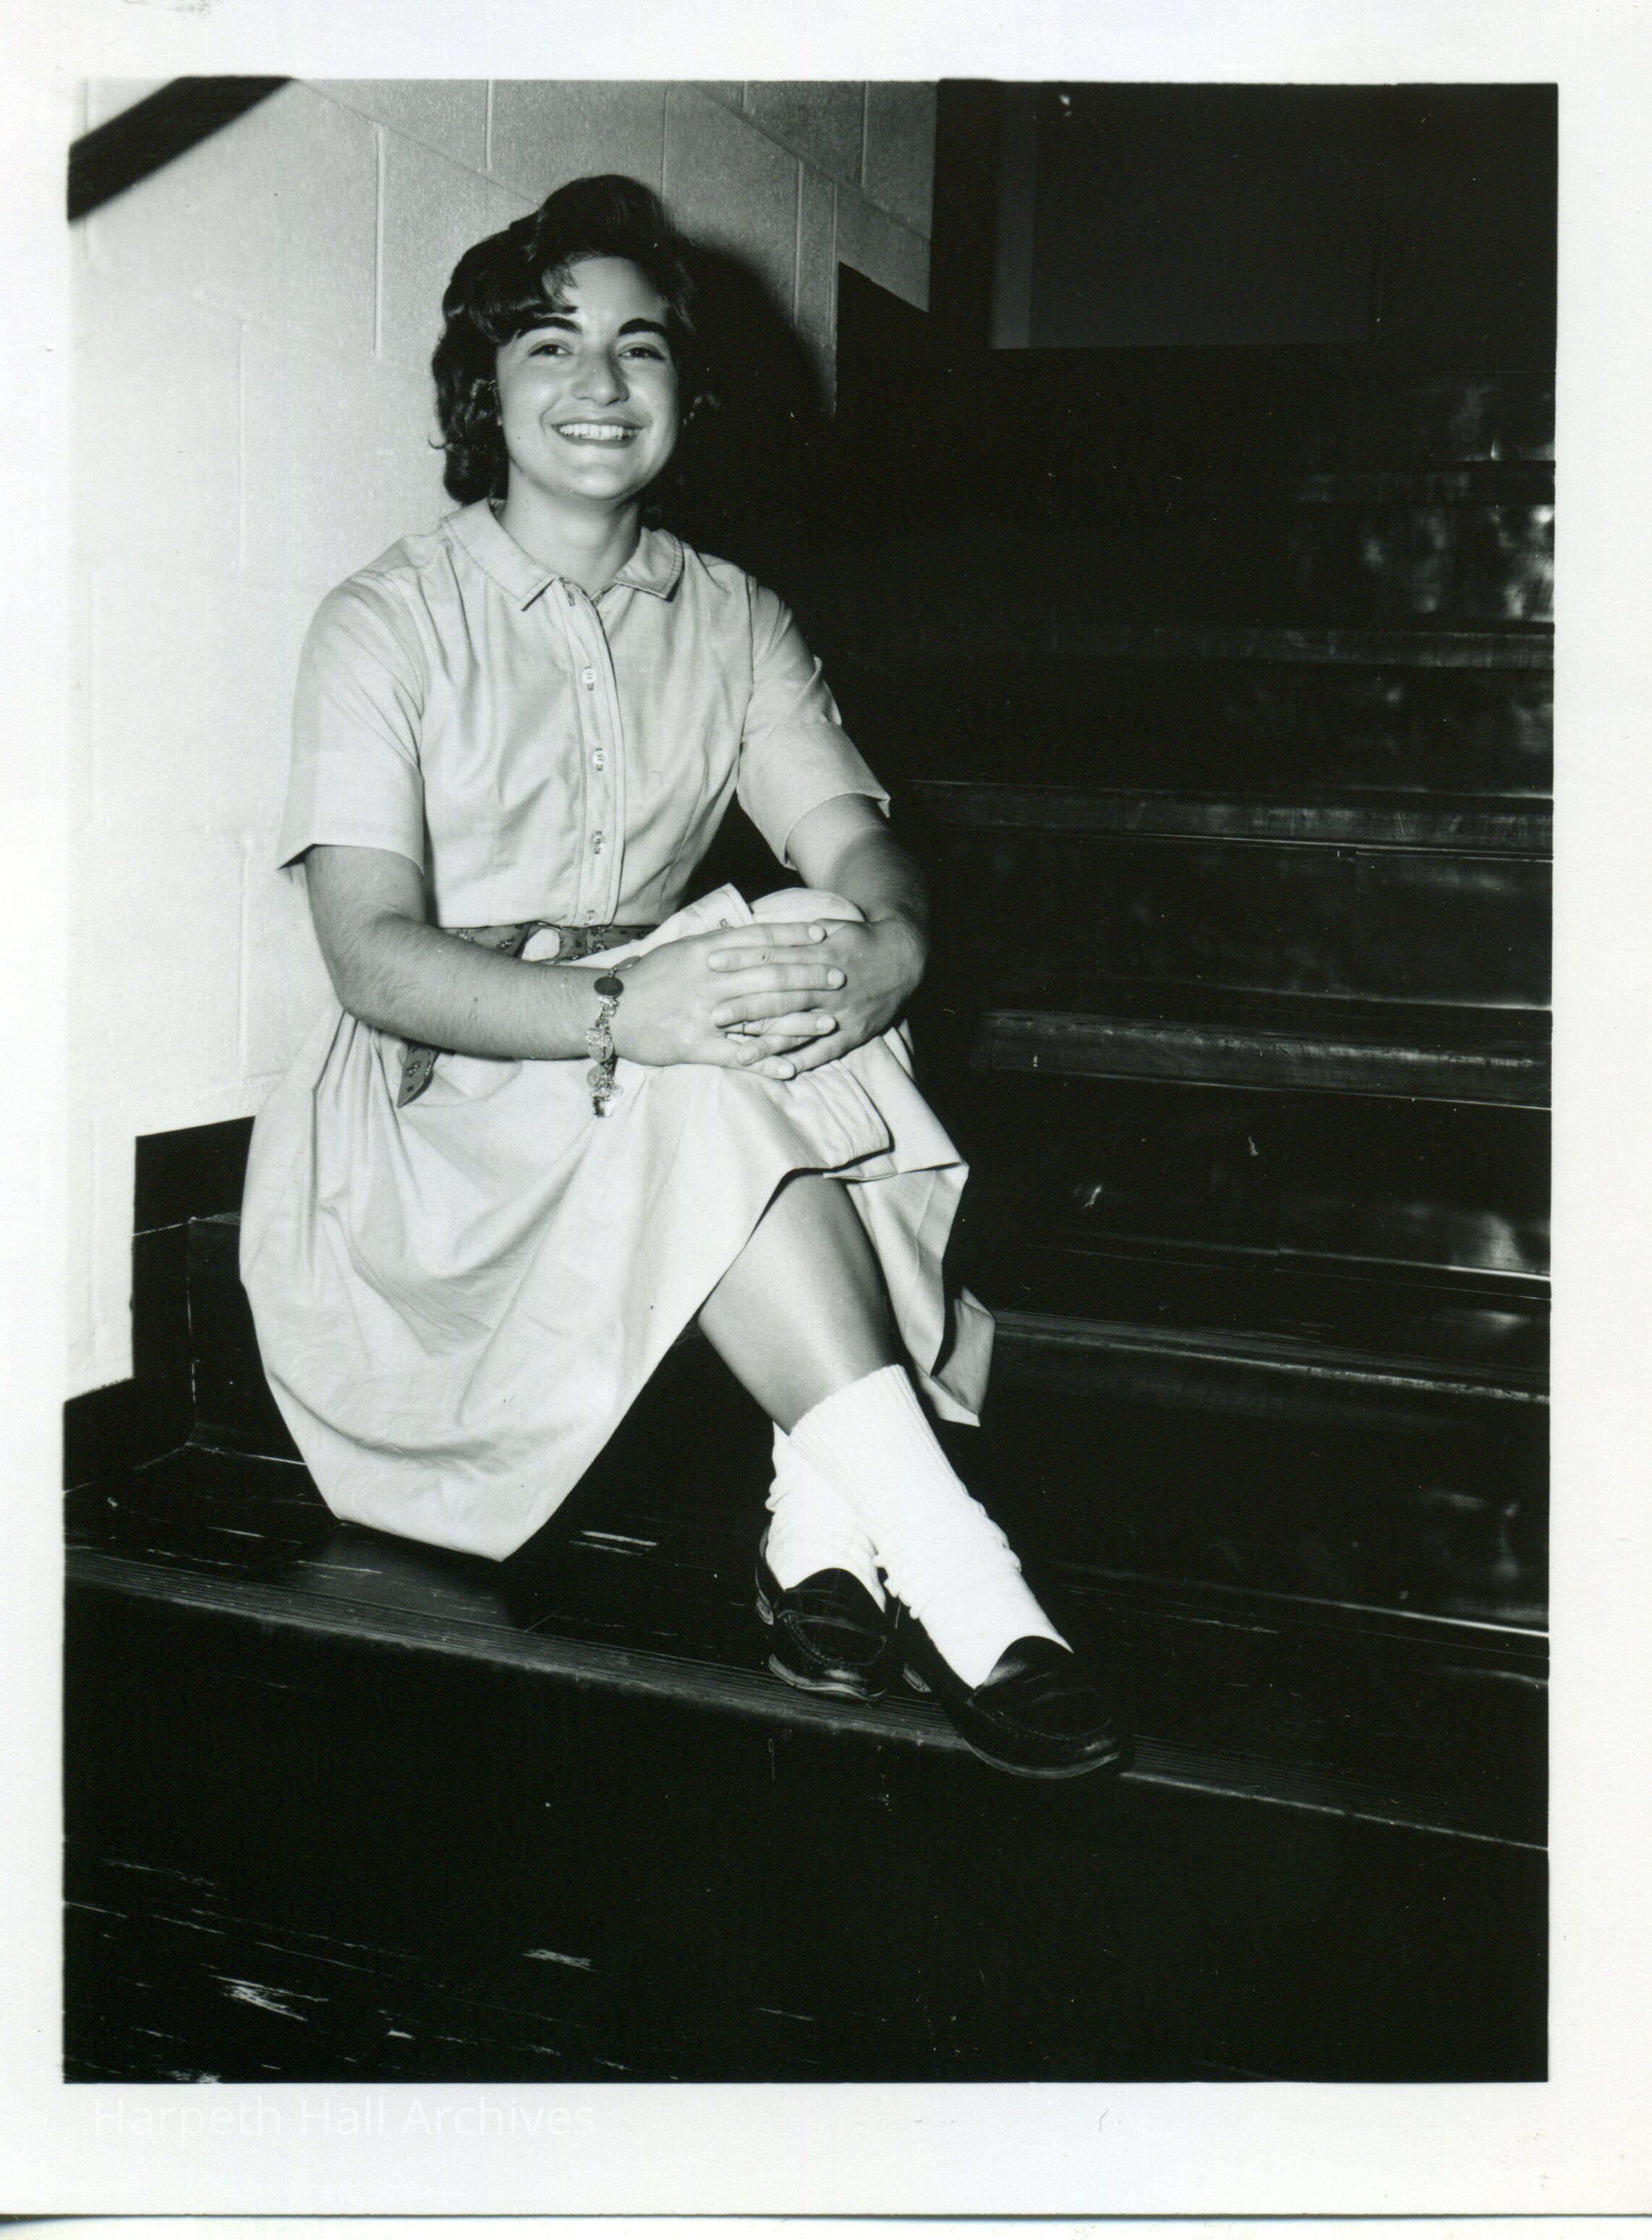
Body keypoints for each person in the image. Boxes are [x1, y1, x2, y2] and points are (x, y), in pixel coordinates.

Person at [240, 175, 1129, 1781]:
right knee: (704, 1024)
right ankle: (946, 1557)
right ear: (482, 387)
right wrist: (622, 1011)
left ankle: (826, 1530)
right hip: (445, 1111)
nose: (600, 384)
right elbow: (371, 959)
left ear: (683, 392)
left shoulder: (733, 616)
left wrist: (891, 948)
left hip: (661, 1075)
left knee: (794, 952)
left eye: (640, 348)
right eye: (549, 344)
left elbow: (857, 847)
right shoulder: (382, 620)